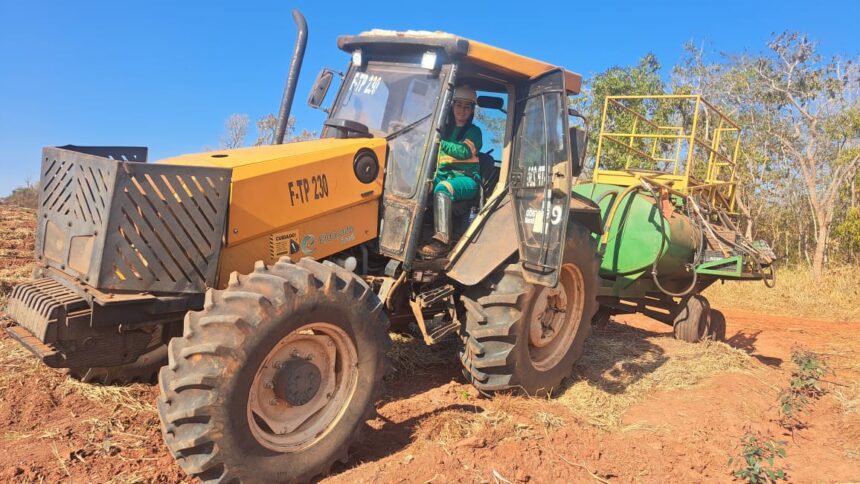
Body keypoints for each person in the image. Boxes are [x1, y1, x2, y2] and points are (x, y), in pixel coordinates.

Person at [418, 85, 483, 259]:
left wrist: (439, 140)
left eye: (467, 106)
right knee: (420, 186)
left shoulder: (474, 132)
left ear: (471, 110)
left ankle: (442, 242)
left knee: (443, 189)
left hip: (466, 179)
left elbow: (463, 152)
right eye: (459, 105)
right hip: (443, 175)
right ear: (452, 106)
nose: (462, 110)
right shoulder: (444, 129)